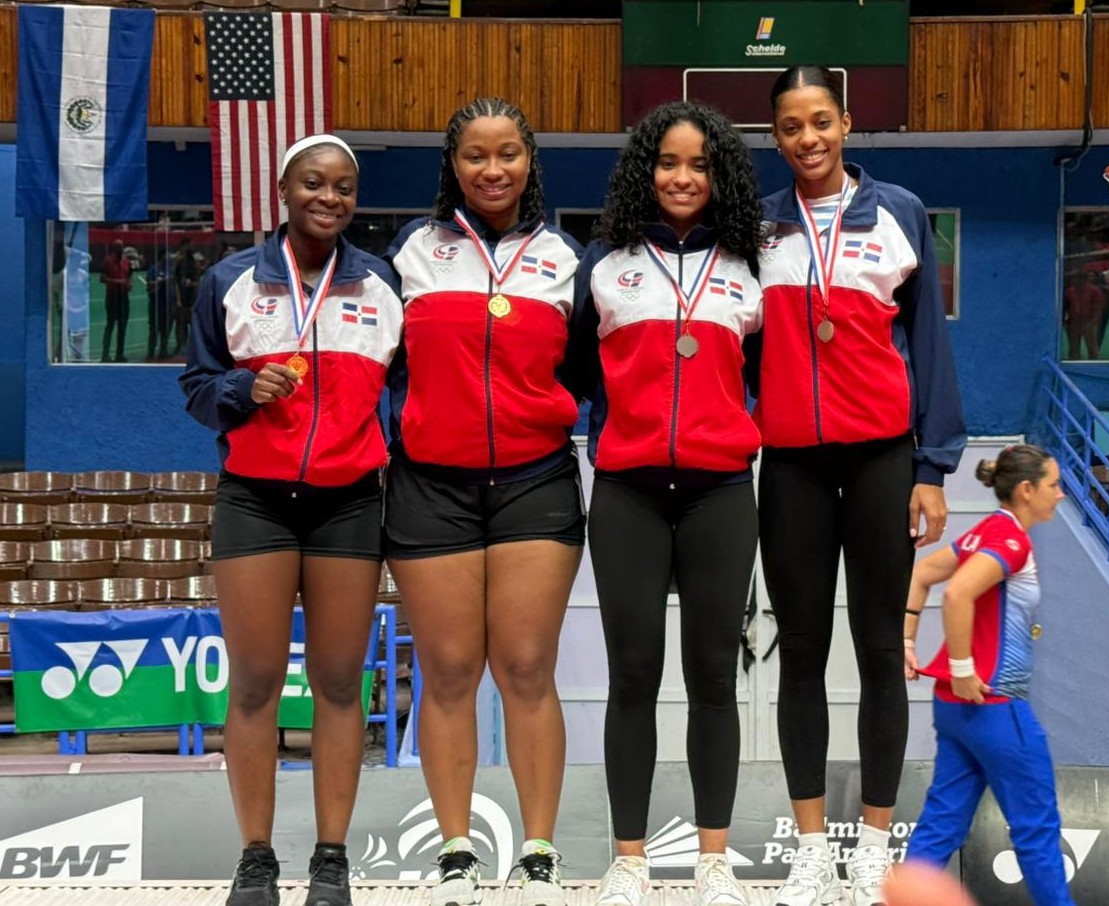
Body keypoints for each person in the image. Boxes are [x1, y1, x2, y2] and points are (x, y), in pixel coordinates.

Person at [751, 65, 966, 906]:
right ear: (776, 138)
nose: (807, 139)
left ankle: (875, 844)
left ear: (846, 124)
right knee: (800, 653)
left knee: (881, 652)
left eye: (820, 122)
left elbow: (931, 350)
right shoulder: (760, 228)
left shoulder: (900, 213)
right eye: (790, 128)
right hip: (793, 466)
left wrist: (931, 466)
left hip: (882, 459)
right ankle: (811, 850)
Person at [180, 134, 403, 906]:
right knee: (256, 685)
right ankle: (256, 859)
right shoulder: (230, 281)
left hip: (348, 501)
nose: (330, 198)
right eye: (315, 183)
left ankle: (333, 860)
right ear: (284, 189)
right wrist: (244, 394)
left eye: (344, 187)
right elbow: (198, 385)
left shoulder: (379, 284)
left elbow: (403, 391)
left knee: (341, 683)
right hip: (255, 500)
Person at [383, 97, 586, 906]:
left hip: (536, 481)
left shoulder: (565, 258)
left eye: (507, 154)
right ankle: (457, 851)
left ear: (530, 161)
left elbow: (594, 374)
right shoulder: (413, 255)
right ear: (453, 164)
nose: (492, 169)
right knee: (450, 669)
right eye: (475, 154)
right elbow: (381, 367)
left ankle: (539, 852)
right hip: (431, 485)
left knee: (528, 667)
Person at [568, 100, 763, 906]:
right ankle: (631, 861)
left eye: (700, 165)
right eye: (669, 162)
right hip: (628, 493)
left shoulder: (751, 265)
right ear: (645, 169)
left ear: (719, 179)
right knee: (633, 676)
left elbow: (762, 371)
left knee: (715, 676)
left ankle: (714, 862)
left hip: (720, 489)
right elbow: (580, 372)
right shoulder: (604, 264)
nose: (683, 178)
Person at [903, 444, 1074, 906]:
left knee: (942, 822)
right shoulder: (1011, 540)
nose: (1060, 494)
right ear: (1026, 489)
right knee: (1037, 828)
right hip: (994, 706)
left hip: (956, 710)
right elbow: (958, 594)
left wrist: (908, 640)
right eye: (1053, 485)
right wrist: (962, 668)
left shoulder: (987, 531)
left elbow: (922, 574)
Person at [100, 238, 132, 362]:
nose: (121, 249)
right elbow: (102, 278)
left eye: (122, 247)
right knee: (110, 325)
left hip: (124, 297)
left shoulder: (126, 262)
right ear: (114, 248)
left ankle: (120, 354)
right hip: (112, 297)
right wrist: (118, 282)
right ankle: (105, 355)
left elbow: (130, 276)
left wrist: (129, 284)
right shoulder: (108, 262)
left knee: (122, 327)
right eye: (118, 247)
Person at [1062, 270, 1105, 360]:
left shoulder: (1094, 291)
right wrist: (1065, 321)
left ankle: (1094, 367)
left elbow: (1098, 308)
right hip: (1073, 323)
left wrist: (1092, 323)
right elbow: (1065, 306)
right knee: (1073, 349)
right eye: (1075, 279)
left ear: (1085, 279)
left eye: (1077, 279)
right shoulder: (1070, 291)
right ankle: (1073, 367)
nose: (1075, 281)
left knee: (1092, 349)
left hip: (1089, 322)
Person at [147, 250, 173, 361]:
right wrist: (160, 282)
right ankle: (151, 353)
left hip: (167, 304)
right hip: (156, 304)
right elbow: (149, 285)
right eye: (167, 255)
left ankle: (163, 351)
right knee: (154, 330)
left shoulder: (170, 269)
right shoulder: (154, 269)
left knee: (165, 330)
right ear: (162, 256)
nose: (169, 257)